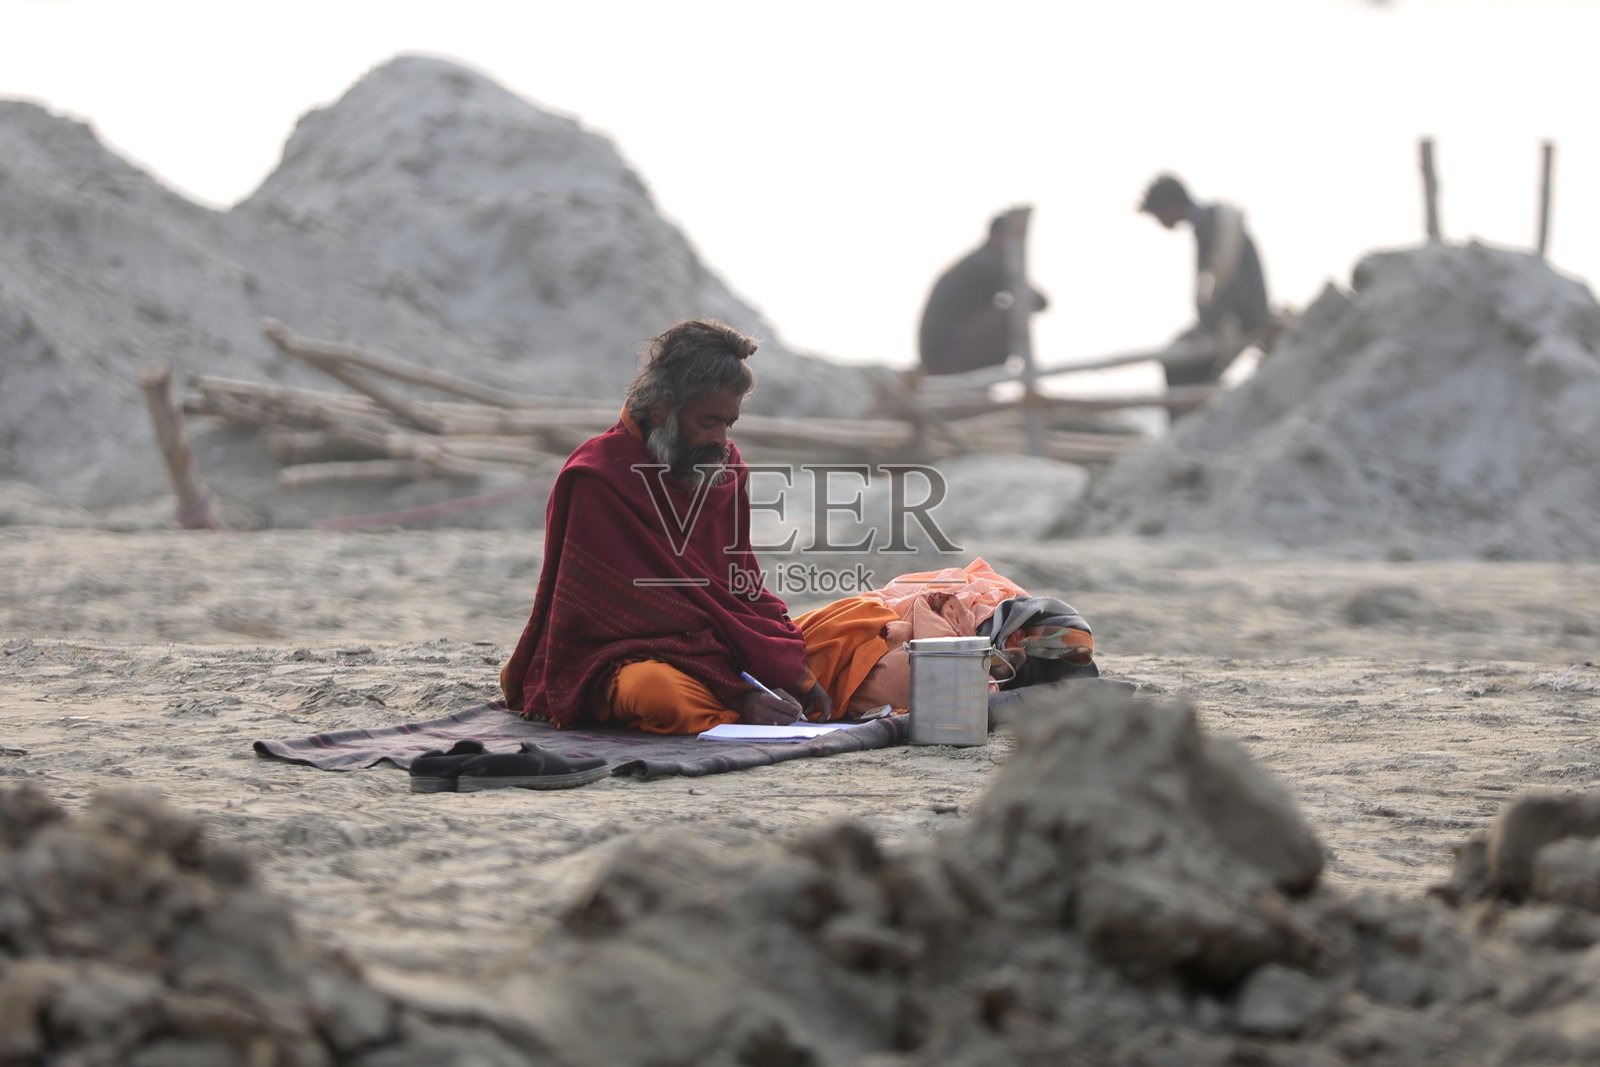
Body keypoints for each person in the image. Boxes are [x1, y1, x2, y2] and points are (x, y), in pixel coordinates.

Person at [499, 319, 895, 735]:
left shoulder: (725, 469)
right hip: (630, 655)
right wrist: (736, 691)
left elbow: (739, 587)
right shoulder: (596, 478)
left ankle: (758, 700)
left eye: (729, 423)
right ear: (662, 408)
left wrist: (787, 664)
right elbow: (631, 617)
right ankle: (740, 714)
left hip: (719, 645)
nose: (722, 440)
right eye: (708, 422)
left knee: (861, 619)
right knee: (657, 693)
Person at [1138, 173, 1272, 389]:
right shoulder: (1208, 224)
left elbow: (1236, 287)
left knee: (1177, 367)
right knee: (1178, 359)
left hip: (1244, 318)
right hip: (1235, 315)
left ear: (1170, 207)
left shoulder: (1213, 225)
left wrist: (1208, 325)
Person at [917, 213, 1049, 376]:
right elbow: (1038, 300)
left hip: (940, 355)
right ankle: (1021, 376)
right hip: (946, 357)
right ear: (1001, 236)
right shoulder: (988, 261)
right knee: (1013, 312)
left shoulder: (980, 259)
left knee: (1012, 309)